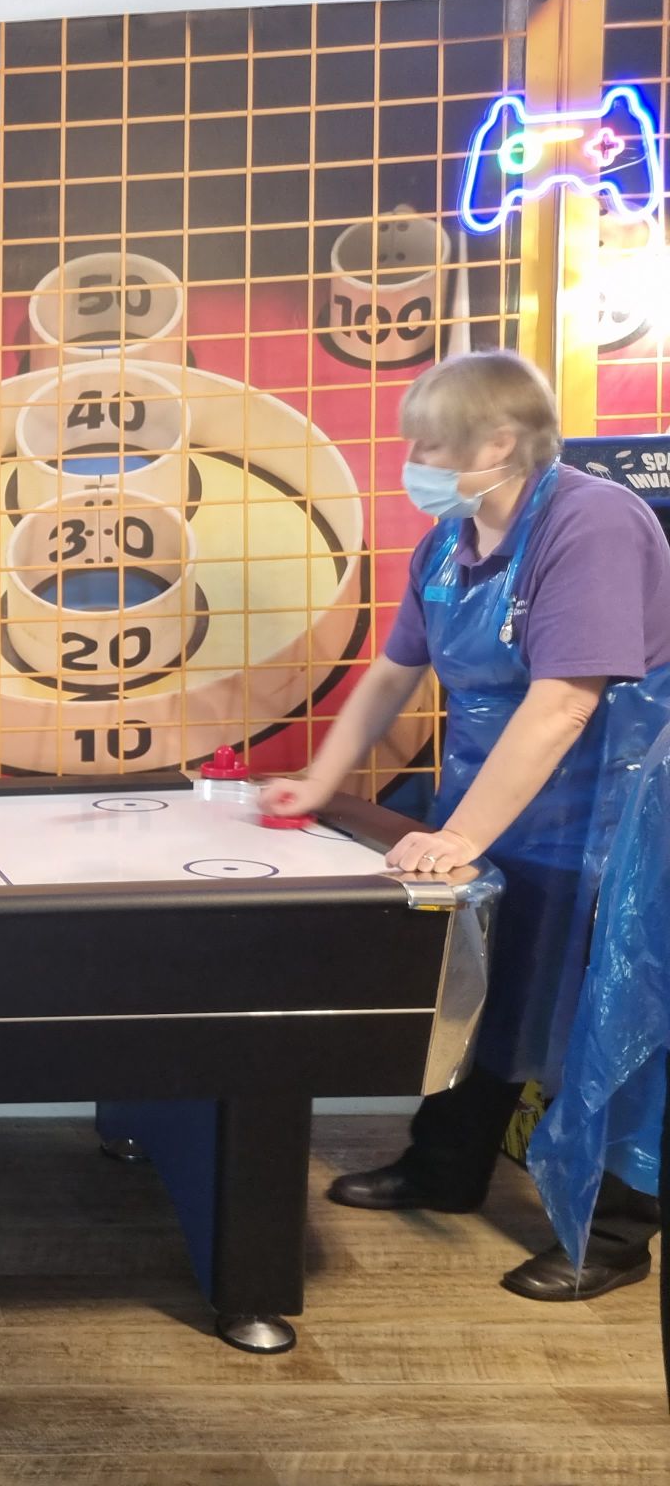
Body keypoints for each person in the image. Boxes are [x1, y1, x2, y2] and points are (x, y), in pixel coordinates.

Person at [261, 350, 670, 1300]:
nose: (415, 464)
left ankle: (609, 1235)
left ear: (498, 442)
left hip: (614, 820)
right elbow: (392, 675)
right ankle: (444, 1169)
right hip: (498, 809)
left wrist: (462, 838)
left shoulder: (593, 523)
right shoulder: (449, 545)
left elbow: (566, 702)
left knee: (607, 1018)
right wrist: (317, 782)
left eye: (430, 446)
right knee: (482, 994)